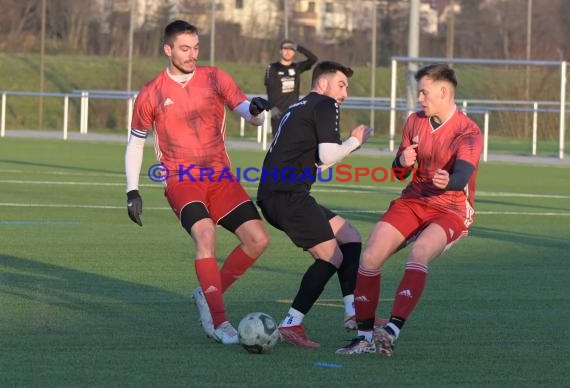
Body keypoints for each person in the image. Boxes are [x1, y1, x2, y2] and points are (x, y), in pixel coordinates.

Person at [124, 20, 271, 345]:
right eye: (184, 48)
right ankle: (220, 323)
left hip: (220, 177)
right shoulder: (151, 92)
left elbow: (249, 112)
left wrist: (258, 112)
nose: (192, 55)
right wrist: (132, 189)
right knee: (205, 233)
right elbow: (135, 142)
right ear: (168, 49)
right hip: (181, 180)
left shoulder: (215, 77)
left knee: (258, 240)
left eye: (196, 48)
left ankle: (207, 292)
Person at [336, 63, 483, 356]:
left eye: (424, 92)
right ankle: (364, 338)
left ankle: (391, 329)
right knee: (371, 255)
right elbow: (399, 174)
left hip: (450, 208)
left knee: (420, 252)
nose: (420, 99)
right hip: (413, 201)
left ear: (443, 92)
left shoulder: (468, 132)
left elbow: (463, 177)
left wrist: (449, 180)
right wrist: (401, 162)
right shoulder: (414, 122)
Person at [256, 61, 372, 348]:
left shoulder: (299, 106)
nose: (344, 94)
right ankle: (291, 324)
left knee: (349, 235)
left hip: (280, 193)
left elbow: (314, 157)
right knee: (331, 257)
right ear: (322, 83)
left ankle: (352, 312)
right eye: (341, 85)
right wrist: (354, 142)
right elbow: (330, 154)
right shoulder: (325, 104)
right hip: (287, 195)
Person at [264, 39, 318, 134]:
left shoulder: (296, 67)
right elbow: (269, 90)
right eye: (285, 48)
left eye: (291, 49)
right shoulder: (272, 68)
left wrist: (298, 47)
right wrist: (273, 108)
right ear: (280, 51)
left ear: (294, 51)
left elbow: (313, 59)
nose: (288, 52)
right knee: (278, 145)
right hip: (278, 113)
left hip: (294, 113)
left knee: (294, 145)